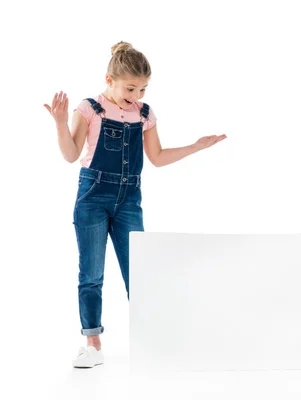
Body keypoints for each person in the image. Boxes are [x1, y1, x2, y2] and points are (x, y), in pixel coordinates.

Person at [44, 41, 227, 368]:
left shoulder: (144, 114)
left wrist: (196, 147)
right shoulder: (88, 108)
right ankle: (93, 344)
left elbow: (156, 157)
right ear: (109, 79)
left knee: (139, 272)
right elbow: (72, 155)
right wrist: (59, 122)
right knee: (91, 274)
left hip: (130, 199)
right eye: (130, 87)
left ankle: (152, 341)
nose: (137, 95)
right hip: (92, 196)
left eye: (143, 88)